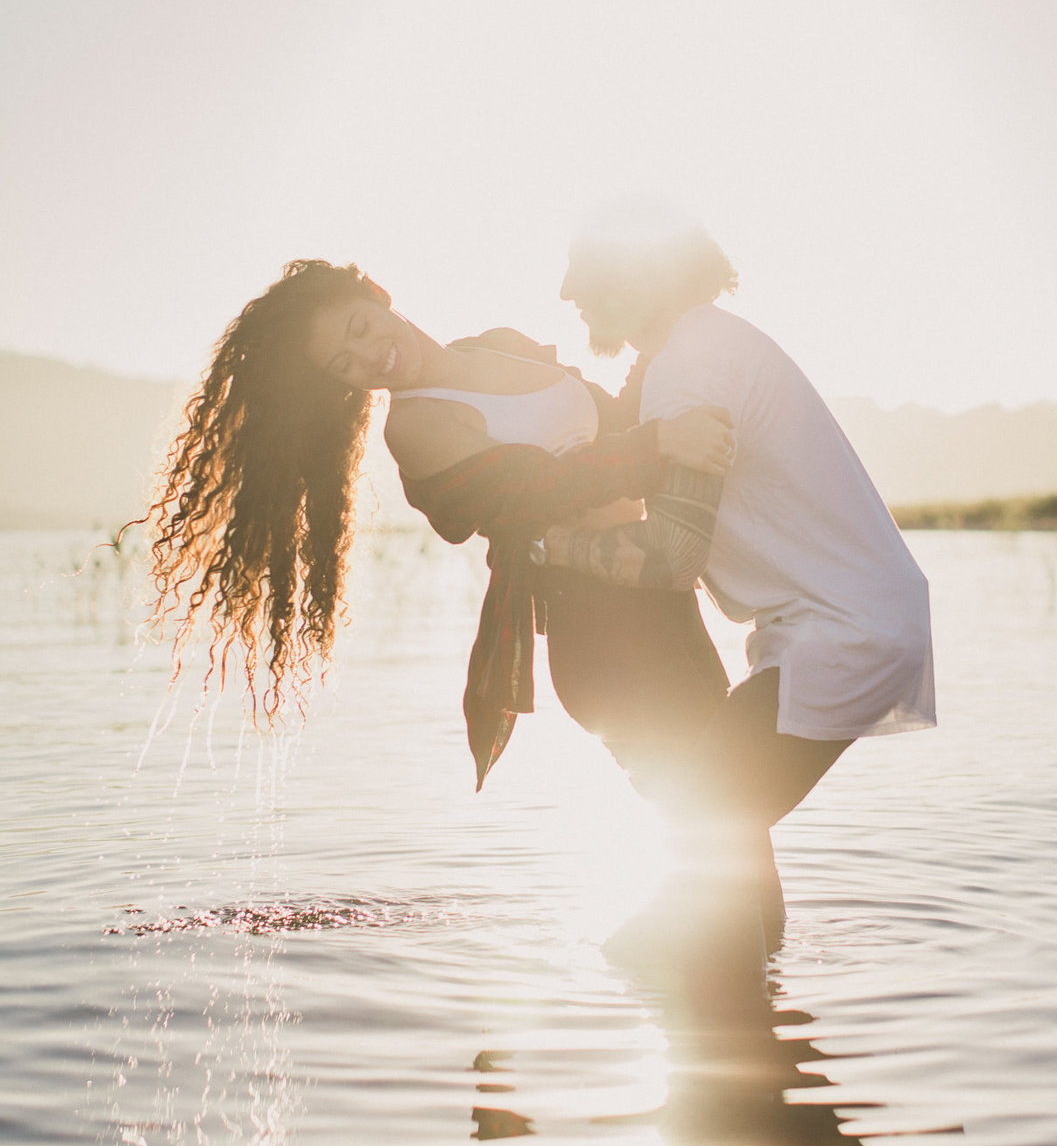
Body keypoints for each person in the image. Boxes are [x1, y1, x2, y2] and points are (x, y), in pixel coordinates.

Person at [148, 259, 734, 792]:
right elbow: (541, 485)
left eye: (360, 328)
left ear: (378, 293)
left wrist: (668, 345)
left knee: (738, 824)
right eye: (345, 364)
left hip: (663, 594)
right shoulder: (417, 426)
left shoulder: (500, 346)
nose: (370, 355)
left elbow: (613, 419)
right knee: (719, 828)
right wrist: (656, 446)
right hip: (601, 635)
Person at [542, 212, 936, 942]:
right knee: (727, 850)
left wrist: (549, 549)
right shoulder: (700, 348)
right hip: (841, 627)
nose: (567, 290)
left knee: (697, 837)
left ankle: (705, 1003)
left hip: (839, 636)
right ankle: (760, 1005)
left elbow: (672, 555)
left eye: (585, 269)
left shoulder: (690, 369)